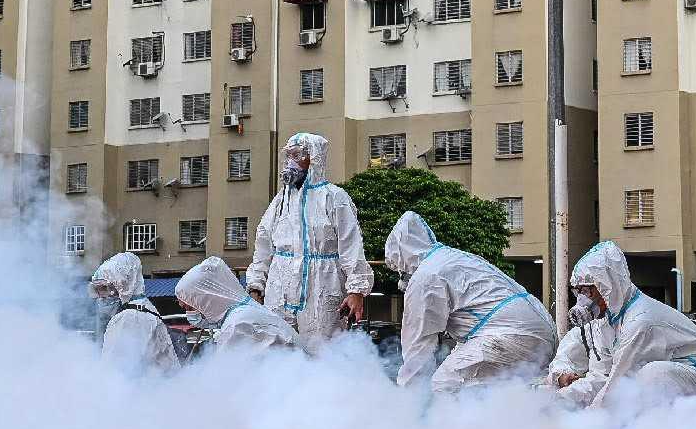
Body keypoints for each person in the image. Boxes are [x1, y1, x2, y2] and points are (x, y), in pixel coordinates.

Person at [385, 211, 558, 392]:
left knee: (445, 385)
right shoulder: (454, 258)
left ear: (403, 260)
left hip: (511, 334)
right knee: (495, 392)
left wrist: (409, 400)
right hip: (542, 332)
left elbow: (417, 346)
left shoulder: (425, 276)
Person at [564, 241, 696, 409]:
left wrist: (587, 425)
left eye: (587, 290)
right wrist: (558, 401)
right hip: (685, 391)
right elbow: (602, 377)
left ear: (609, 285)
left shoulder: (641, 320)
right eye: (578, 291)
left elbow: (615, 386)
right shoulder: (608, 322)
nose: (582, 299)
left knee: (653, 375)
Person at [247, 133, 374, 340]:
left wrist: (356, 290)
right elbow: (263, 245)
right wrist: (256, 285)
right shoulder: (281, 201)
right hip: (280, 289)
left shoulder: (334, 197)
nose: (290, 162)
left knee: (323, 355)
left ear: (314, 158)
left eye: (297, 155)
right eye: (289, 156)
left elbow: (351, 246)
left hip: (322, 288)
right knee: (278, 351)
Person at [177, 256, 300, 353]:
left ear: (207, 300)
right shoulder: (246, 311)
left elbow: (226, 375)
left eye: (190, 307)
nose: (189, 314)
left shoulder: (238, 324)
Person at [89, 252, 179, 372]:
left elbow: (112, 373)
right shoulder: (144, 310)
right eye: (97, 290)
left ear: (123, 285)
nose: (101, 297)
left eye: (105, 289)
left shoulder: (129, 318)